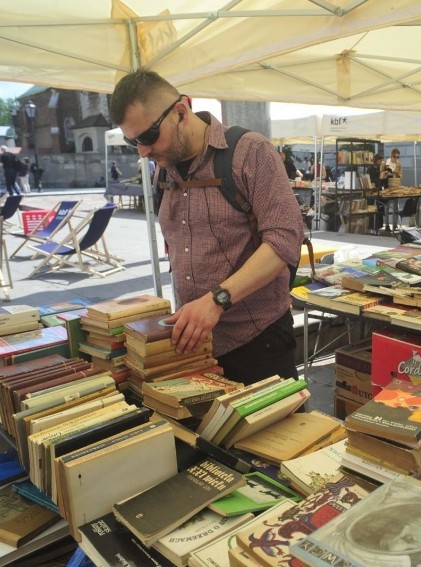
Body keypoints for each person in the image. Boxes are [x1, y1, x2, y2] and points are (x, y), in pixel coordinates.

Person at [110, 69, 303, 385]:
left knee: (272, 435)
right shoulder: (164, 173)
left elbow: (284, 239)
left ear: (182, 112)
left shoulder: (250, 151)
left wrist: (217, 300)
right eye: (132, 141)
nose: (142, 152)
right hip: (193, 345)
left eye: (147, 137)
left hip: (257, 343)